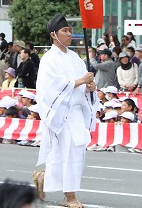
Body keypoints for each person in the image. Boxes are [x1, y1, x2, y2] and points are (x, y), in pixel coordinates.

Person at [34, 13, 97, 208]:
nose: (70, 34)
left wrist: (89, 87)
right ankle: (70, 196)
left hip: (76, 111)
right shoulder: (49, 59)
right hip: (61, 113)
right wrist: (81, 81)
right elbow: (51, 87)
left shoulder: (75, 58)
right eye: (65, 31)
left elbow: (81, 83)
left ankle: (43, 177)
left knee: (72, 154)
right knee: (68, 153)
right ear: (54, 34)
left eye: (70, 30)